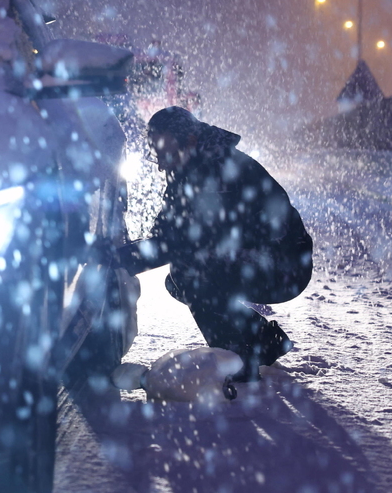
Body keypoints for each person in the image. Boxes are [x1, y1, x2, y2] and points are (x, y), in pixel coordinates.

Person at [115, 106, 313, 387]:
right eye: (157, 156)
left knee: (195, 277)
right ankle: (262, 342)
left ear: (192, 141)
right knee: (179, 279)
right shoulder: (189, 165)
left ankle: (238, 363)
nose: (161, 165)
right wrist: (126, 251)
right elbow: (167, 231)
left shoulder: (216, 171)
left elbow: (182, 241)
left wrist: (123, 260)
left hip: (285, 264)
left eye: (166, 154)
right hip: (255, 256)